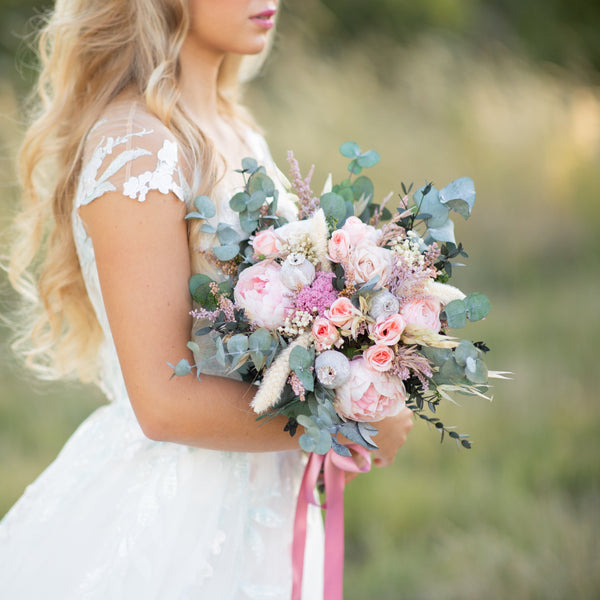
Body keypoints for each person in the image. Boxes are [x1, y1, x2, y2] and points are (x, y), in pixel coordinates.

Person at [0, 0, 414, 597]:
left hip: (261, 494)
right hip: (180, 514)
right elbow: (163, 402)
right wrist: (348, 418)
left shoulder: (231, 124)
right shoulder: (137, 148)